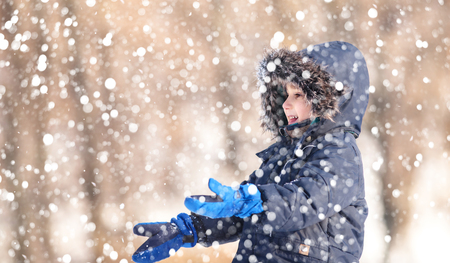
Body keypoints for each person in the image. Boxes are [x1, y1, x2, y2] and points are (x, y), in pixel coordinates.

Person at [132, 41, 370, 263]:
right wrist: (190, 228)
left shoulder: (340, 153)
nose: (286, 104)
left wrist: (260, 201)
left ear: (330, 97)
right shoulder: (283, 157)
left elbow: (306, 200)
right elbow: (240, 212)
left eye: (297, 95)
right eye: (285, 95)